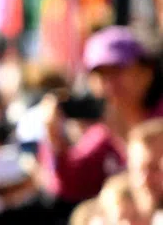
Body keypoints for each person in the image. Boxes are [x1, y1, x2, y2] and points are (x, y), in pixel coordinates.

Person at [40, 25, 163, 206]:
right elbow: (71, 183)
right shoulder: (103, 132)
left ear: (146, 72)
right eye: (100, 75)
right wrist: (54, 140)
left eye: (117, 70)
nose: (109, 83)